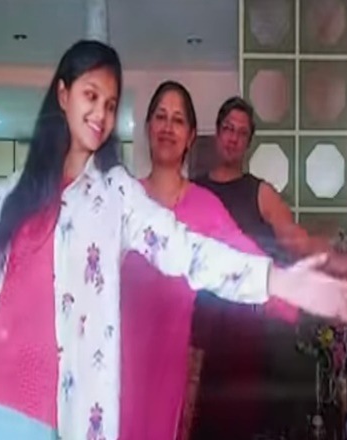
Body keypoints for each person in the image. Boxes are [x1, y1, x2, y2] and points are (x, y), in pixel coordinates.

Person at [0, 41, 347, 440]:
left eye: (109, 102)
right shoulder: (22, 190)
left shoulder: (118, 196)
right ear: (62, 94)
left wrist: (285, 282)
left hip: (46, 416)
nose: (101, 113)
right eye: (90, 95)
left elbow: (191, 252)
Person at [192, 96, 347, 437]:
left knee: (244, 422)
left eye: (242, 133)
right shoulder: (194, 191)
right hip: (200, 327)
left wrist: (341, 262)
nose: (233, 138)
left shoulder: (260, 192)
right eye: (228, 129)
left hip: (246, 328)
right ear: (217, 133)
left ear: (249, 142)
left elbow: (298, 240)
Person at [119, 80, 279, 440]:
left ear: (191, 136)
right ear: (148, 126)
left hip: (175, 369)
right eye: (161, 116)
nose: (167, 127)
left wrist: (301, 290)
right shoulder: (123, 199)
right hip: (120, 364)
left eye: (178, 120)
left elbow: (245, 258)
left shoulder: (205, 206)